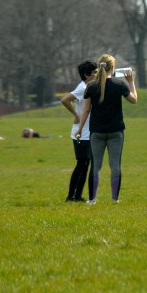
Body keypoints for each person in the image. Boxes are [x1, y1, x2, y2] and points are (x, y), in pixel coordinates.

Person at [74, 55, 138, 204]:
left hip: (96, 131)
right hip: (116, 131)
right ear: (113, 68)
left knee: (96, 166)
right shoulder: (119, 84)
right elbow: (134, 100)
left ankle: (92, 199)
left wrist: (80, 128)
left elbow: (86, 110)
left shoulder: (91, 86)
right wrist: (131, 82)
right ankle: (114, 199)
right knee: (115, 165)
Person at [61, 60, 97, 202]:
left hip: (88, 131)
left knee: (86, 163)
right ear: (86, 74)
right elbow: (65, 100)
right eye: (94, 72)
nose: (96, 74)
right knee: (81, 163)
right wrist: (76, 115)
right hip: (80, 132)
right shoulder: (82, 88)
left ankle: (78, 196)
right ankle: (71, 196)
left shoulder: (91, 86)